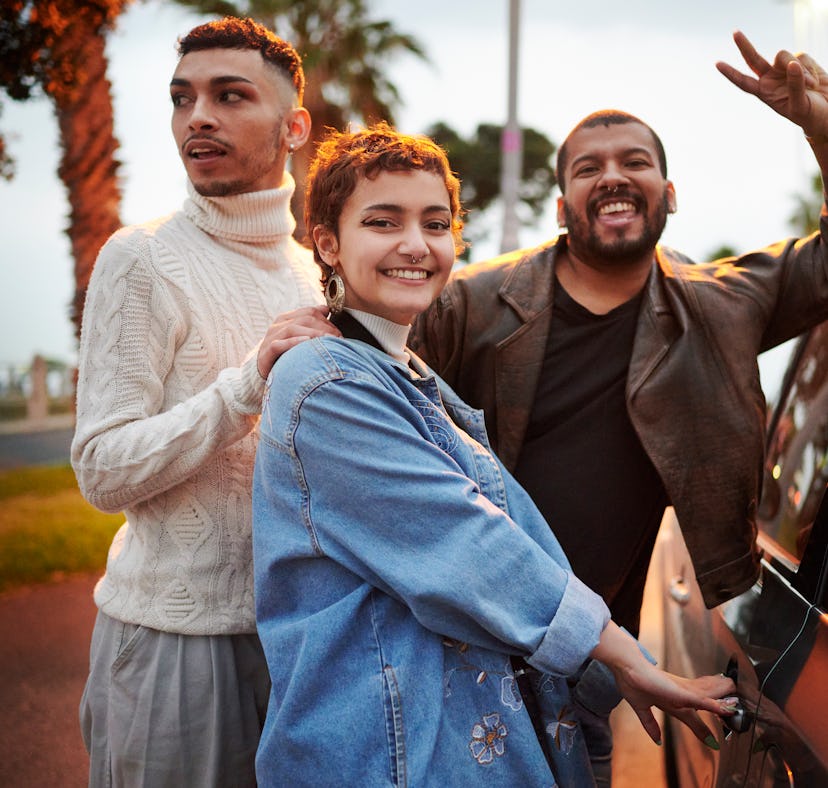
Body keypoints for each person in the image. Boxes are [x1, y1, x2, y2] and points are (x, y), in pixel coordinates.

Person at [252, 122, 735, 787]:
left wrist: (598, 674)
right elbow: (466, 544)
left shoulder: (409, 373)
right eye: (383, 222)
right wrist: (624, 656)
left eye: (435, 222)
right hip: (385, 752)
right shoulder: (327, 383)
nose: (415, 246)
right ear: (328, 243)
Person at [403, 31, 828, 783]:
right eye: (587, 168)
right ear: (563, 205)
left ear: (670, 193)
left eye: (636, 162)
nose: (613, 177)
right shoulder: (469, 304)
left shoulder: (729, 302)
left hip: (593, 670)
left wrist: (821, 130)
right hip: (457, 649)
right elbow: (369, 366)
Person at [71, 17, 335, 786]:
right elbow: (100, 470)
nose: (199, 118)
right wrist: (246, 384)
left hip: (301, 647)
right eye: (182, 99)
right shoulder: (141, 256)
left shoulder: (315, 271)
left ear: (294, 127)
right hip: (172, 645)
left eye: (229, 96)